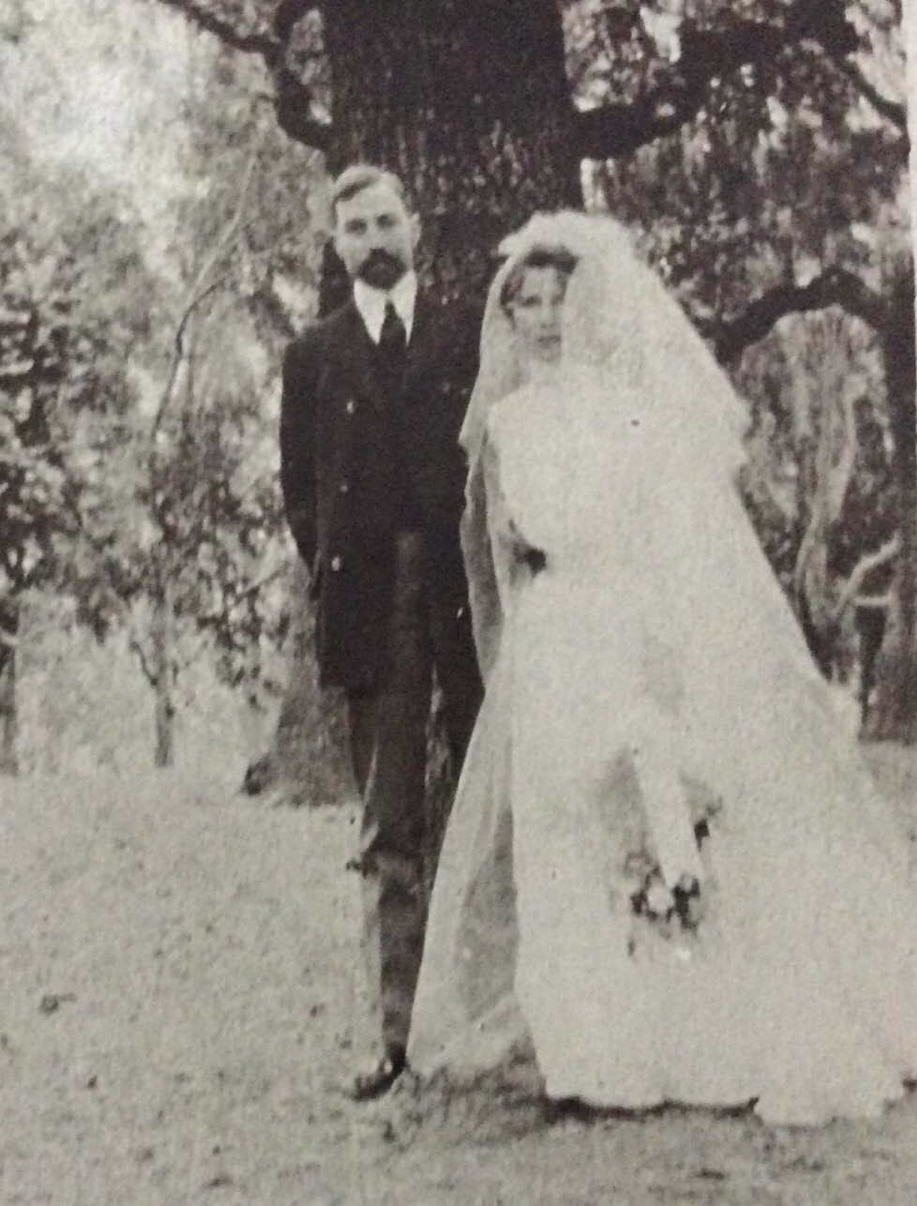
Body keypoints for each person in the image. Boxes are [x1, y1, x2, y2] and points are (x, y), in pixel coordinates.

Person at [407, 210, 917, 1126]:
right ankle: (585, 1048)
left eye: (561, 299)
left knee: (647, 810)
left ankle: (671, 1033)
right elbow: (513, 541)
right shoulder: (510, 422)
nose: (546, 318)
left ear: (589, 306)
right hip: (554, 630)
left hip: (624, 620)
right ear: (508, 316)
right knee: (560, 823)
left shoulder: (630, 415)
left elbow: (652, 536)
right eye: (527, 302)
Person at [279, 165, 483, 1101]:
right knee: (388, 822)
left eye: (384, 221)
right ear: (334, 246)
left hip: (462, 590)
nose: (371, 239)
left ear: (415, 224)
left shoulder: (462, 334)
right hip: (371, 599)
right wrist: (344, 567)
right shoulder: (314, 355)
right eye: (352, 228)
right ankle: (394, 1036)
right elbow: (300, 494)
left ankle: (504, 1016)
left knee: (491, 795)